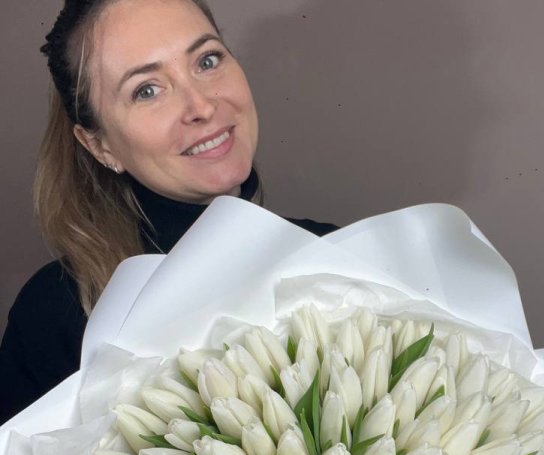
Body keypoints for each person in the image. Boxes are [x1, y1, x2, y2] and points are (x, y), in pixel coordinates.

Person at [0, 0, 336, 425]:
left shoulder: (335, 249)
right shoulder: (54, 315)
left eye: (207, 61)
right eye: (147, 90)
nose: (201, 106)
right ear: (99, 145)